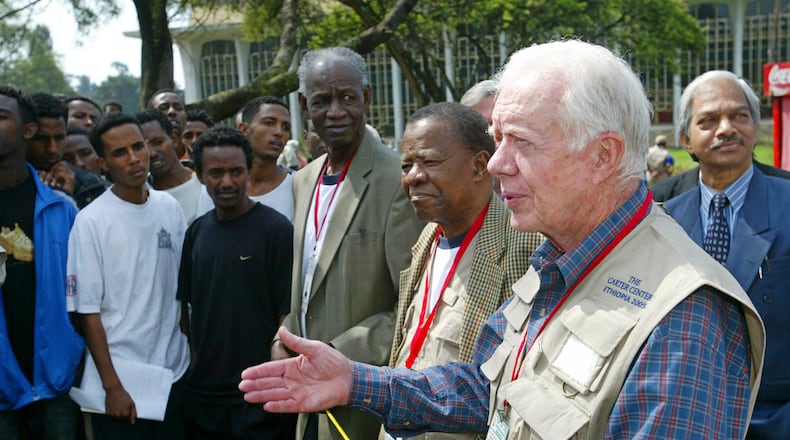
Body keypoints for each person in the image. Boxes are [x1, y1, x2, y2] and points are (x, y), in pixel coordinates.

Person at [240, 40, 766, 439]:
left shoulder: (684, 318)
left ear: (603, 155)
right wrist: (357, 381)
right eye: (497, 141)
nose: (494, 164)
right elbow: (489, 389)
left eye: (521, 142)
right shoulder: (558, 259)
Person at [270, 46, 424, 440]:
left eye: (347, 98)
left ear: (367, 98)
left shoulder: (397, 180)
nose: (335, 112)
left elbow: (411, 305)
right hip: (308, 398)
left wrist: (336, 354)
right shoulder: (304, 180)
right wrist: (284, 338)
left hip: (362, 394)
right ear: (305, 105)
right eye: (322, 101)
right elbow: (308, 287)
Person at [385, 102, 543, 440]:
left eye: (429, 162)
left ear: (479, 166)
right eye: (406, 165)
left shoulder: (521, 246)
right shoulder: (429, 237)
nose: (413, 176)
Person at [664, 70, 790, 439]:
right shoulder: (663, 219)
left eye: (739, 116)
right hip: (684, 418)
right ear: (686, 139)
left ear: (755, 127)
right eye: (708, 120)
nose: (726, 129)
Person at [67, 112, 190, 440]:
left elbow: (181, 292)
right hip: (123, 384)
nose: (134, 158)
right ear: (103, 163)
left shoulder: (169, 208)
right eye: (119, 153)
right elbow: (87, 311)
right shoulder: (90, 222)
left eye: (138, 146)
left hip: (174, 374)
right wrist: (112, 387)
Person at [178, 126, 294, 439]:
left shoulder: (276, 230)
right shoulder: (196, 232)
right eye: (216, 172)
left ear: (248, 171)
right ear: (200, 176)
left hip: (259, 393)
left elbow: (287, 311)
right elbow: (187, 310)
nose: (227, 182)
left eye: (235, 171)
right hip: (204, 395)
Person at [0, 85, 84, 439]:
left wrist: (68, 353)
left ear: (27, 130)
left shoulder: (62, 208)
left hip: (56, 382)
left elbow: (84, 294)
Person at [26, 92, 106, 208]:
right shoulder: (8, 180)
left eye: (59, 138)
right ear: (26, 133)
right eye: (42, 139)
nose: (52, 149)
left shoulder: (88, 185)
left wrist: (67, 195)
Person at [136, 109, 212, 225]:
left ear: (174, 138)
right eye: (142, 147)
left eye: (158, 142)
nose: (152, 153)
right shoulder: (139, 200)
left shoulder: (208, 183)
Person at [238, 96, 294, 222]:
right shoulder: (219, 186)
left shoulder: (300, 187)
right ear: (244, 130)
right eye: (269, 123)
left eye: (286, 127)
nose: (279, 132)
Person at [148, 90, 189, 159]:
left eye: (178, 108)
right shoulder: (144, 163)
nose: (171, 111)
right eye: (163, 108)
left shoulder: (201, 160)